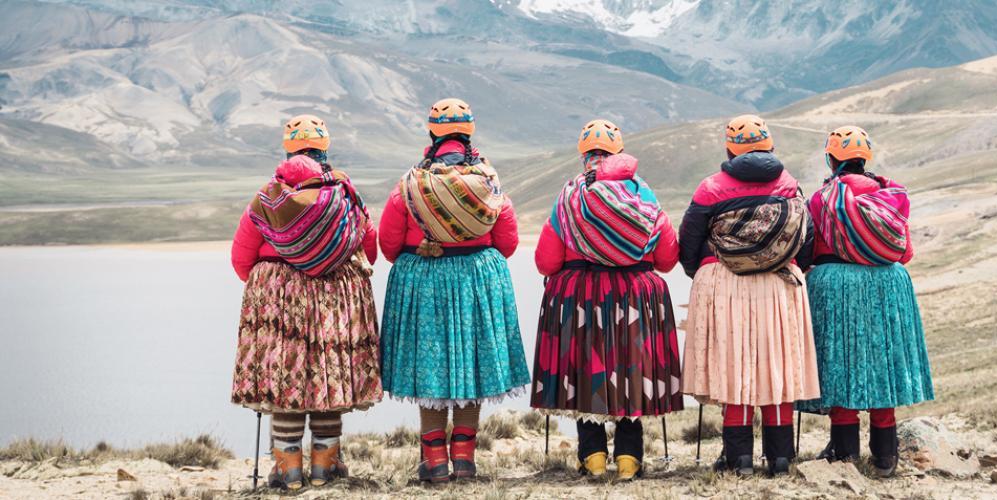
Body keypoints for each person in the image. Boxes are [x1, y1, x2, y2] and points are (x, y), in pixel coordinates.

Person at [379, 98, 529, 483]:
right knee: (473, 370)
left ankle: (435, 463)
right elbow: (508, 242)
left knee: (432, 375)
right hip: (476, 281)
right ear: (469, 134)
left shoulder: (410, 184)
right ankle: (465, 461)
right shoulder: (488, 183)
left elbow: (389, 245)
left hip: (424, 281)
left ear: (432, 133)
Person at [230, 114, 382, 490]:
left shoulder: (267, 198)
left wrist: (272, 282)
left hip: (279, 297)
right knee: (327, 381)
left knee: (286, 381)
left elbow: (241, 258)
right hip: (334, 297)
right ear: (324, 150)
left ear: (287, 151)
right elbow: (370, 248)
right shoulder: (345, 195)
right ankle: (325, 468)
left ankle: (288, 471)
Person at [529, 119, 683, 481]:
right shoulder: (646, 198)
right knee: (632, 373)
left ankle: (594, 457)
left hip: (582, 296)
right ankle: (629, 460)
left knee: (588, 373)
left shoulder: (569, 198)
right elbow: (666, 259)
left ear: (585, 156)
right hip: (634, 296)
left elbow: (546, 262)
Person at [679, 114, 820, 477]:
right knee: (777, 370)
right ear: (770, 146)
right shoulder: (790, 185)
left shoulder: (711, 187)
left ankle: (738, 460)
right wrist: (790, 267)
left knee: (734, 369)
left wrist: (705, 271)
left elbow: (689, 243)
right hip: (778, 284)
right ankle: (781, 459)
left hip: (724, 283)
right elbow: (805, 240)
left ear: (730, 149)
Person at [801, 125, 934, 477]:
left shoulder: (821, 199)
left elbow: (809, 247)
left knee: (840, 363)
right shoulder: (891, 197)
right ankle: (886, 455)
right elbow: (904, 252)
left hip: (836, 285)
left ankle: (844, 451)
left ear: (831, 160)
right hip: (888, 284)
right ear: (866, 159)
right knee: (882, 362)